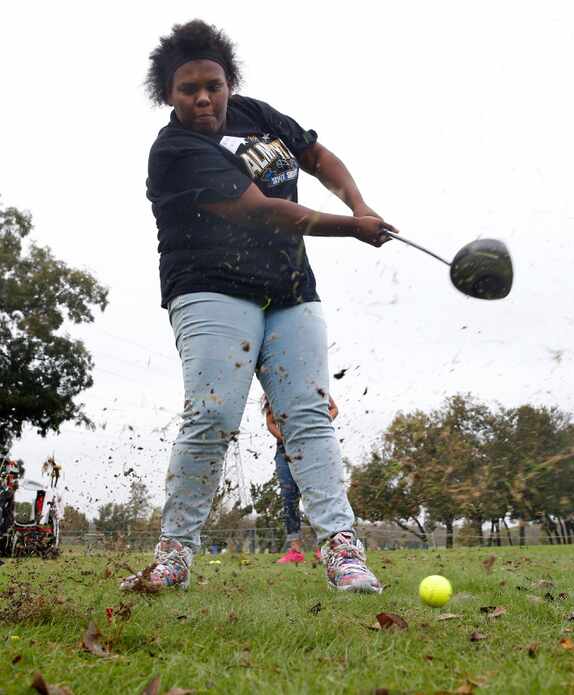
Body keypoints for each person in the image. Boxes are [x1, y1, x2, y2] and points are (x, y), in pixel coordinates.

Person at [121, 19, 396, 594]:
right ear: (168, 95)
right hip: (210, 285)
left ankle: (343, 551)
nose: (203, 98)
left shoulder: (257, 115)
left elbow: (318, 158)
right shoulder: (174, 151)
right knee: (213, 415)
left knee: (309, 414)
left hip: (290, 287)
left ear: (228, 83)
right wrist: (353, 227)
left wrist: (360, 202)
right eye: (188, 89)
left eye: (213, 86)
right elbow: (265, 209)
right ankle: (174, 555)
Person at [262, 393, 338, 563]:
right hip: (285, 452)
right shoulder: (272, 388)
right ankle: (295, 550)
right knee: (289, 497)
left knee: (315, 495)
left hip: (312, 448)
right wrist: (286, 438)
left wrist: (318, 426)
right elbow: (270, 423)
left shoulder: (313, 384)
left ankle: (324, 546)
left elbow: (333, 409)